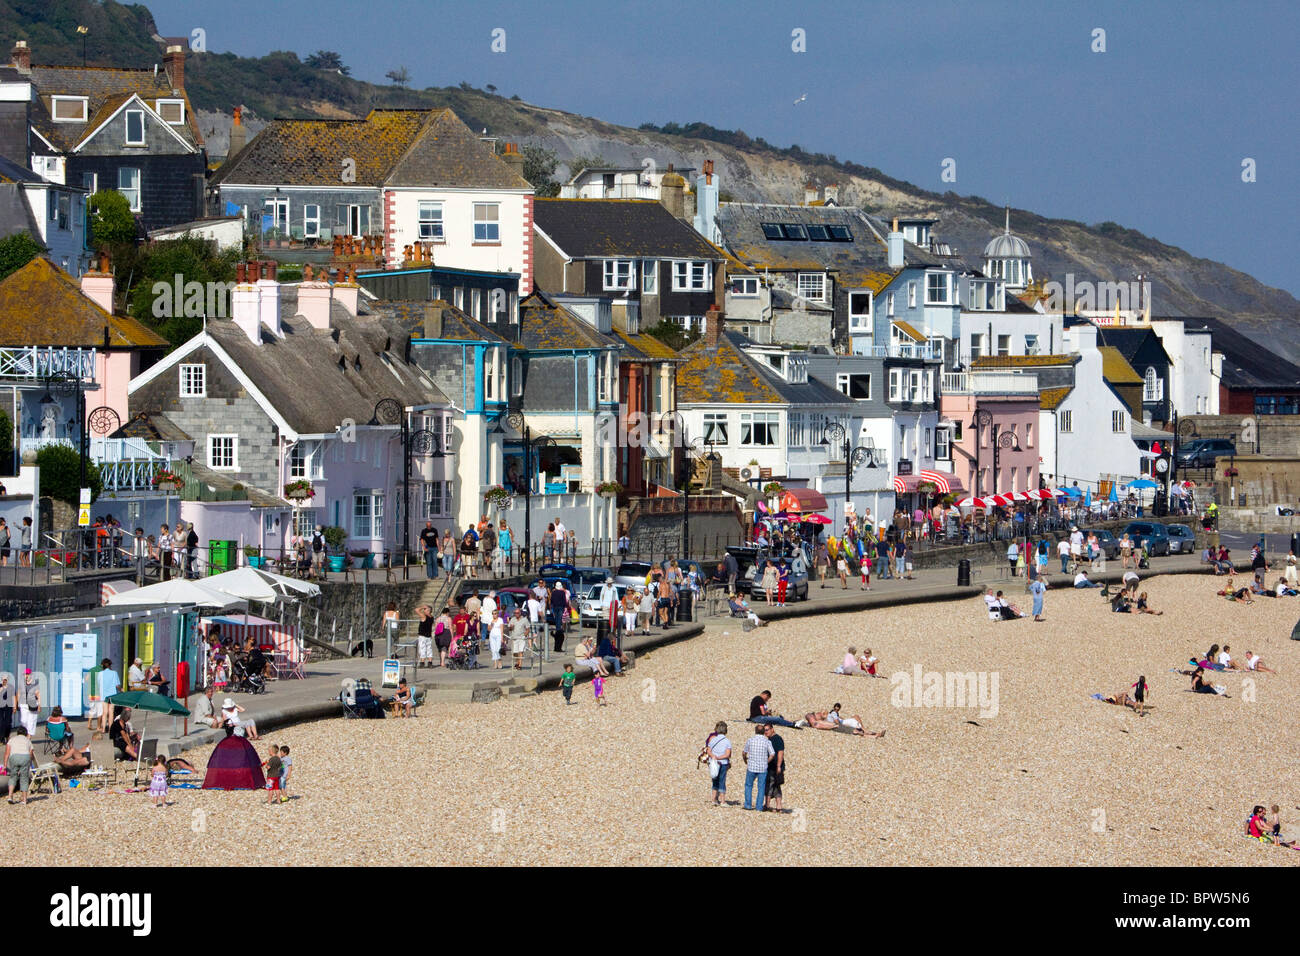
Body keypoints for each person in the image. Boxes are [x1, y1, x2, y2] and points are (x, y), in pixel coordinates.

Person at [742, 725, 775, 811]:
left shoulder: (750, 740)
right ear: (764, 731)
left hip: (751, 766)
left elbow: (744, 752)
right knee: (761, 787)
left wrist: (745, 760)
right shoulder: (767, 741)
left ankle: (748, 805)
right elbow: (772, 754)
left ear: (755, 731)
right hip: (762, 768)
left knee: (748, 785)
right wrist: (767, 761)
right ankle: (759, 807)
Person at [702, 722, 732, 805]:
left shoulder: (713, 739)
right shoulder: (727, 741)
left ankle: (713, 800)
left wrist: (714, 756)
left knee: (715, 781)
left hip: (714, 762)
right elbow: (728, 754)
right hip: (723, 763)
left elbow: (708, 750)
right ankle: (722, 801)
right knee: (722, 781)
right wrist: (719, 757)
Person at [5, 727, 33, 804]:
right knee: (24, 778)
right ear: (26, 733)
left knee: (13, 777)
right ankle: (24, 799)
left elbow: (7, 753)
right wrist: (28, 764)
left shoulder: (12, 740)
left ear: (17, 733)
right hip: (25, 757)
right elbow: (30, 755)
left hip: (14, 757)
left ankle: (10, 797)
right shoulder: (28, 741)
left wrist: (4, 765)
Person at [763, 724, 785, 812]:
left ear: (772, 729)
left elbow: (780, 753)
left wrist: (779, 766)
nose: (766, 732)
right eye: (764, 730)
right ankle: (776, 806)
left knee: (772, 785)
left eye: (767, 730)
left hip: (775, 766)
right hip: (771, 766)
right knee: (774, 785)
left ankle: (769, 805)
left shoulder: (777, 739)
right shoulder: (769, 739)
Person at [17, 668, 39, 736]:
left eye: (28, 674)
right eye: (25, 674)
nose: (26, 675)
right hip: (23, 704)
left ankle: (29, 736)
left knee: (31, 721)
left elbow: (38, 694)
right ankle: (25, 733)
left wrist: (39, 705)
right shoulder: (21, 683)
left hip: (33, 704)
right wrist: (17, 703)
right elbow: (19, 692)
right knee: (23, 720)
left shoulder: (35, 683)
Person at [550, 581, 570, 652]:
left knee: (557, 618)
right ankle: (558, 629)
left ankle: (557, 628)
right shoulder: (562, 592)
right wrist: (565, 606)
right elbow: (564, 600)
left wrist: (551, 606)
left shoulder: (553, 592)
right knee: (560, 618)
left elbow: (551, 600)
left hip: (555, 607)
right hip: (561, 606)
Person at [0, 675, 11, 743]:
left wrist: (15, 706)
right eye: (3, 679)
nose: (4, 681)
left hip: (9, 707)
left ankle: (7, 736)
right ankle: (1, 738)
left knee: (8, 723)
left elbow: (13, 696)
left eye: (5, 679)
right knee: (1, 722)